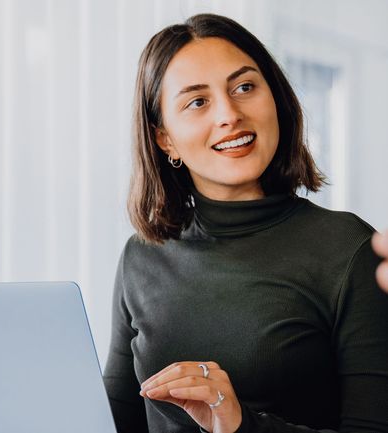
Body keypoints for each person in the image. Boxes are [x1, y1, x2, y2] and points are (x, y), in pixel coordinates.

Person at [103, 13, 388, 433]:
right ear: (165, 138)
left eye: (244, 87)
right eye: (198, 101)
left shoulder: (349, 249)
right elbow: (116, 414)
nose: (229, 114)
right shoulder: (142, 255)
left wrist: (240, 425)